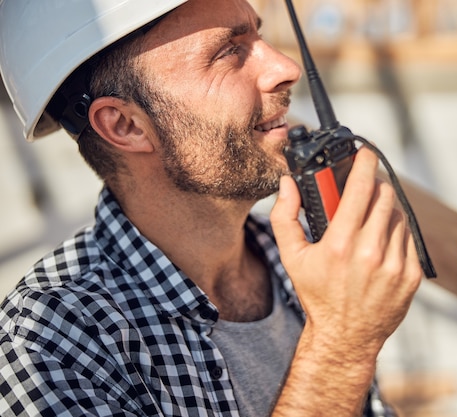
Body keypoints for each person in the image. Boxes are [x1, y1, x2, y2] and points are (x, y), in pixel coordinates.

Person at [0, 0, 423, 415]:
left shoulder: (307, 260)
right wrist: (340, 349)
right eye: (229, 51)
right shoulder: (49, 341)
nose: (285, 68)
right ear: (125, 126)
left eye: (259, 35)